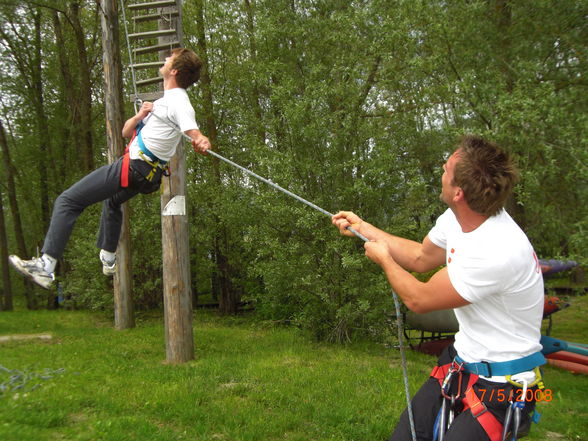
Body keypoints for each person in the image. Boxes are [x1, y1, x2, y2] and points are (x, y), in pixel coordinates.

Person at [332, 135, 545, 441]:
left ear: (458, 192)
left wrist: (384, 261)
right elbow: (420, 257)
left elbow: (419, 298)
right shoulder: (458, 219)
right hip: (461, 362)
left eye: (446, 170)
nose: (440, 174)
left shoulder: (496, 249)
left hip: (504, 386)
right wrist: (363, 227)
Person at [10, 48, 210, 289]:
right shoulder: (163, 102)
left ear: (174, 70)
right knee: (113, 201)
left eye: (169, 59)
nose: (165, 59)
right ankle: (108, 256)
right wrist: (140, 115)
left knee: (67, 201)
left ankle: (46, 264)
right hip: (146, 176)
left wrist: (201, 139)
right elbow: (126, 132)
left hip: (134, 168)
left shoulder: (178, 101)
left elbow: (193, 130)